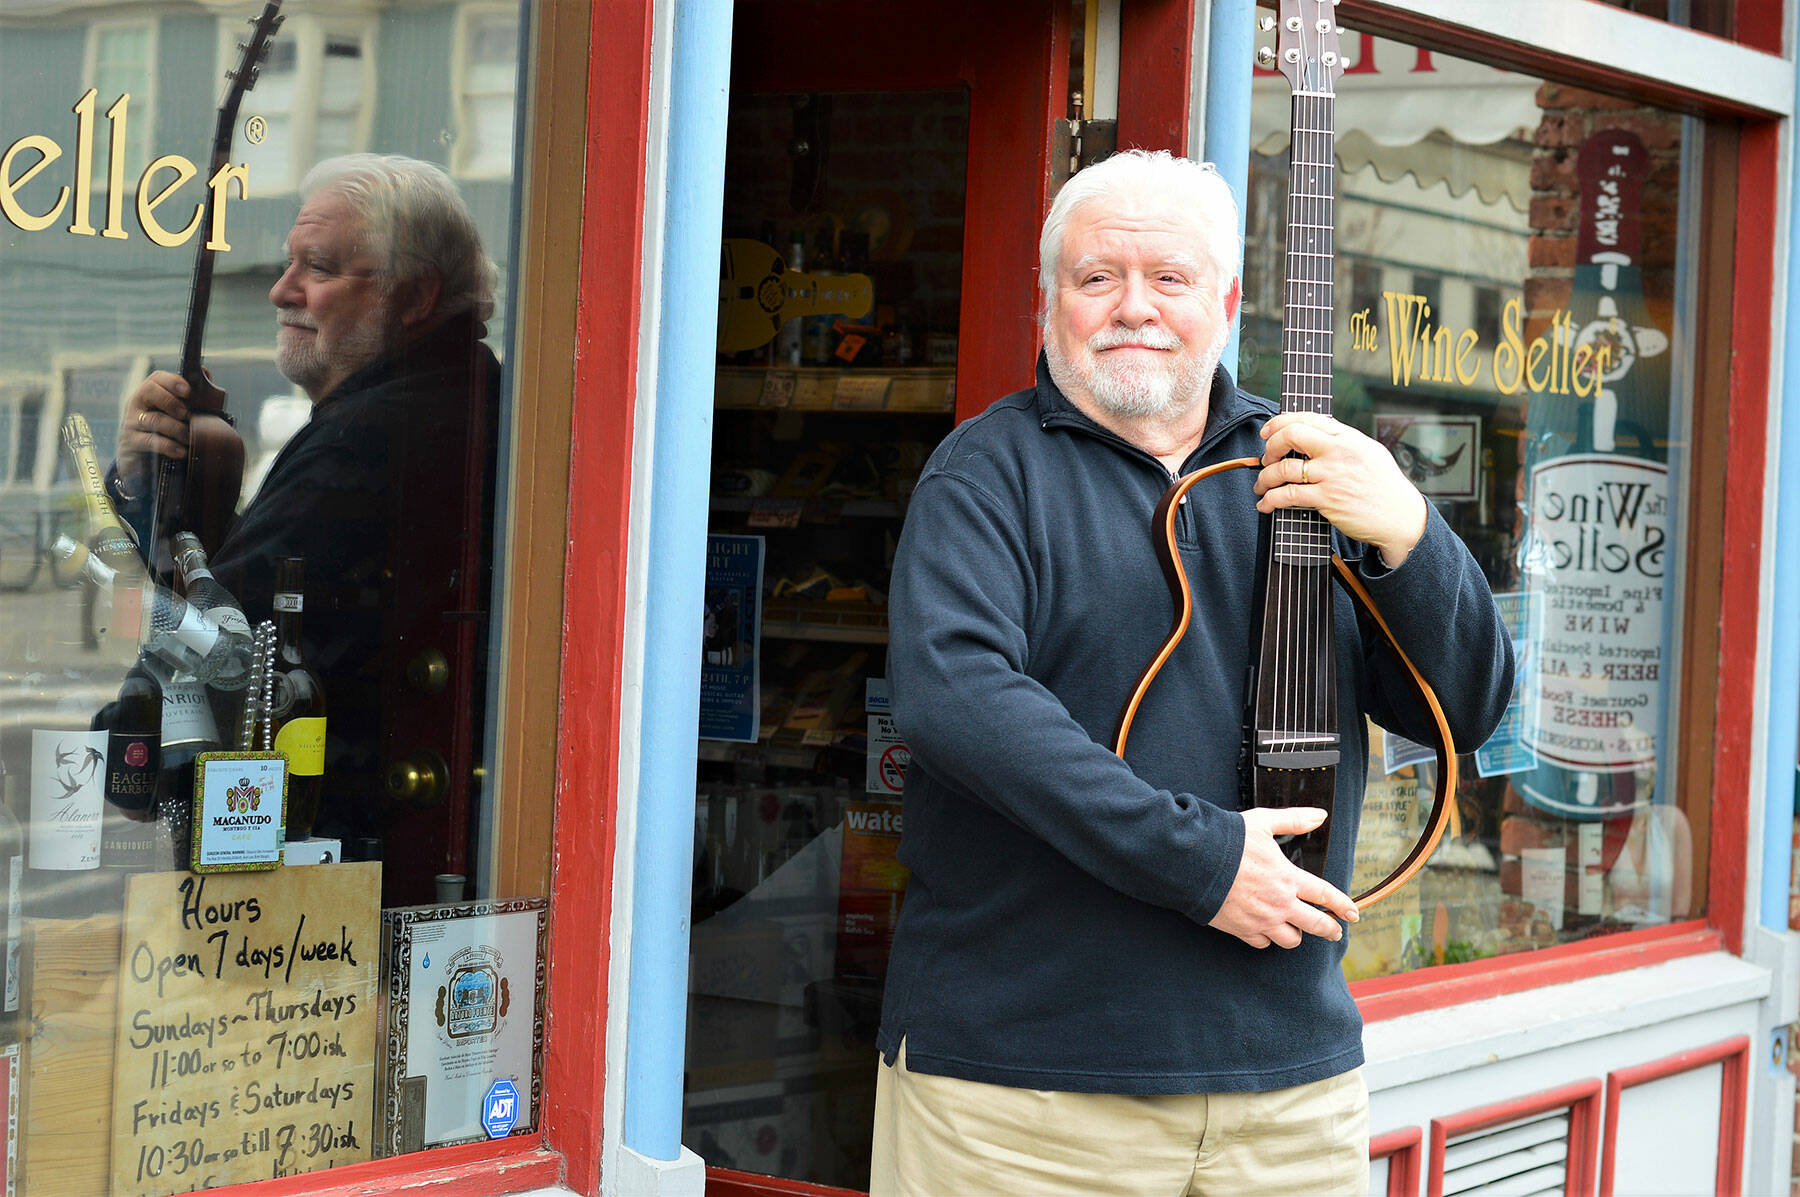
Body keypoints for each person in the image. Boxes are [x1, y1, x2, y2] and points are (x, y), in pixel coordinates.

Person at [871, 150, 1513, 1195]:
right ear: (1052, 300)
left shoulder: (1313, 469)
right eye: (1096, 279)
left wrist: (1410, 532)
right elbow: (958, 701)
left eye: (1168, 278)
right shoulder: (985, 476)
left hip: (1289, 1098)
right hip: (1023, 1098)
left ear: (1225, 299)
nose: (1133, 308)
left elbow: (1469, 709)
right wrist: (1203, 861)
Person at [108, 153, 500, 864]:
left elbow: (226, 638)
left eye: (317, 267)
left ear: (413, 297)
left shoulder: (372, 438)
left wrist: (125, 742)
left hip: (346, 860)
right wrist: (150, 486)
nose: (281, 290)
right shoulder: (459, 397)